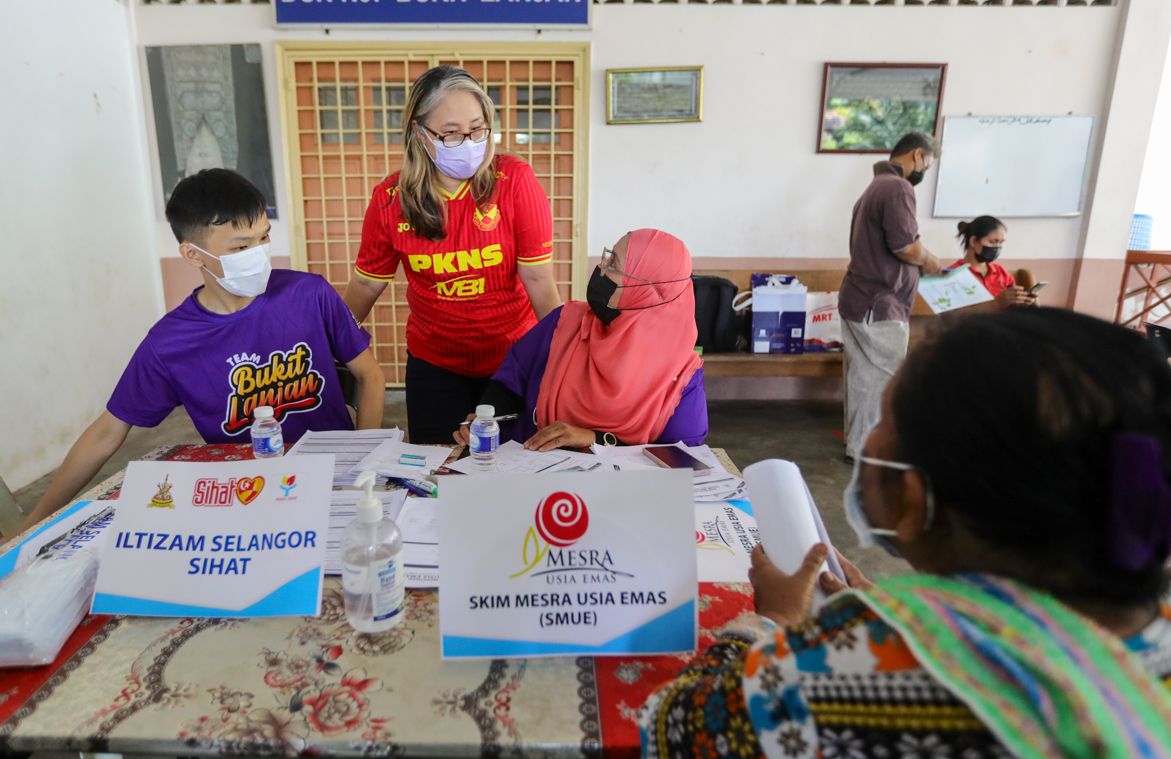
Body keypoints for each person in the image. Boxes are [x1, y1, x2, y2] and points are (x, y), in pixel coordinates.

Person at [641, 307, 1171, 759]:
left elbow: (678, 749)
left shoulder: (839, 678)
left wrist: (773, 622)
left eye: (886, 421)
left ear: (914, 499)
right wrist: (907, 617)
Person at [22, 169, 385, 530]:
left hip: (332, 480)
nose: (259, 255)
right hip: (245, 495)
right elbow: (107, 432)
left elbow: (369, 375)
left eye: (264, 238)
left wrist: (362, 466)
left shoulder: (309, 294)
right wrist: (37, 521)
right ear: (193, 255)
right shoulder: (170, 343)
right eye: (242, 247)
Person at [346, 65, 562, 444]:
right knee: (438, 473)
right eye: (450, 133)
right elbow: (366, 282)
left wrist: (562, 355)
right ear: (419, 133)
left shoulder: (514, 181)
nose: (468, 142)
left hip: (512, 359)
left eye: (477, 130)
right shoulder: (391, 199)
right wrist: (330, 347)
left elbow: (539, 279)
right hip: (435, 363)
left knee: (511, 466)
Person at [453, 229, 707, 451]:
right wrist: (487, 419)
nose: (600, 268)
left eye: (613, 264)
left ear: (646, 293)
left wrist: (596, 439)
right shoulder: (565, 322)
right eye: (607, 256)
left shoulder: (681, 374)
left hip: (616, 496)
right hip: (529, 474)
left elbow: (679, 460)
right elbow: (511, 380)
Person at [838, 131, 942, 461]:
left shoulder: (874, 187)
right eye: (928, 161)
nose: (926, 168)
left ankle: (859, 445)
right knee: (881, 380)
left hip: (861, 297)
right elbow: (905, 247)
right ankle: (870, 451)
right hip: (878, 303)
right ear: (917, 155)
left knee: (863, 378)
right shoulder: (897, 187)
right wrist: (930, 260)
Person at [948, 214, 1034, 307]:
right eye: (993, 242)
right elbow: (952, 315)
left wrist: (1022, 302)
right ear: (973, 241)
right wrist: (996, 303)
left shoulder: (1000, 272)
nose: (997, 247)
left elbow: (1012, 306)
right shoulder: (953, 275)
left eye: (1001, 242)